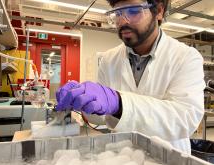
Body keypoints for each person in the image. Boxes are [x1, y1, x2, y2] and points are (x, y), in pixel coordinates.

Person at [56, 0, 205, 154]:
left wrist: (119, 103)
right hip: (122, 156)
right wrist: (84, 100)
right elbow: (102, 118)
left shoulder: (186, 57)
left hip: (166, 157)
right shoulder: (108, 59)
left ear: (159, 11)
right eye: (117, 13)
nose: (122, 21)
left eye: (133, 11)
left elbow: (184, 119)